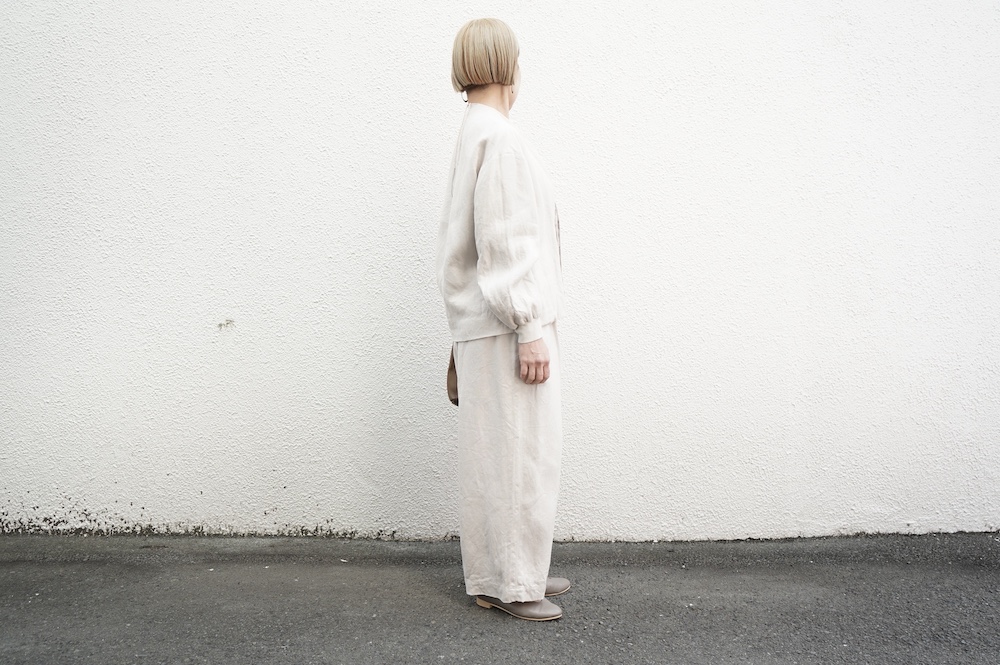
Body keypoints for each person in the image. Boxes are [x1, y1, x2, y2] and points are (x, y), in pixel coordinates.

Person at [436, 18, 568, 622]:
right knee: (520, 456)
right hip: (506, 325)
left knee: (498, 457)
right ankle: (513, 583)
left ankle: (510, 572)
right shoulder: (500, 137)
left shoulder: (474, 131)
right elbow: (506, 241)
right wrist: (530, 326)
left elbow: (468, 244)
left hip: (485, 325)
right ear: (507, 64)